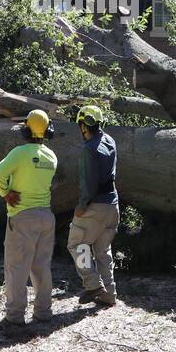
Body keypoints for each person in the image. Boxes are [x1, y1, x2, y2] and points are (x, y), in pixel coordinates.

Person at [0, 109, 58, 329]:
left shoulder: (20, 153)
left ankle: (14, 317)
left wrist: (5, 193)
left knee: (16, 267)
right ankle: (43, 312)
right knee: (41, 266)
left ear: (26, 128)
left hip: (22, 217)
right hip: (46, 216)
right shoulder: (51, 156)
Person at [68, 104, 120, 307]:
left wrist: (81, 206)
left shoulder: (89, 149)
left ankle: (92, 285)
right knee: (102, 250)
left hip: (94, 206)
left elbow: (89, 184)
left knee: (76, 244)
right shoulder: (111, 141)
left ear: (83, 126)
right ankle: (110, 293)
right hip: (113, 205)